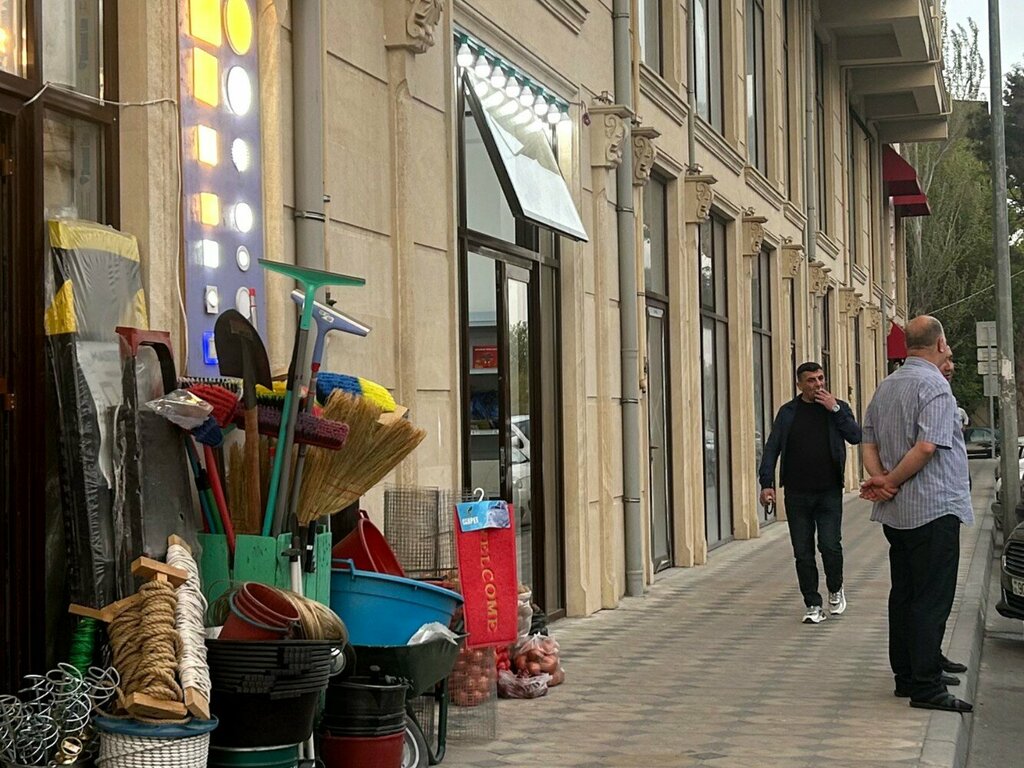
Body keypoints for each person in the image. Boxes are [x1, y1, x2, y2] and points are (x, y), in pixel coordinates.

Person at [860, 315, 973, 713]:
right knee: (931, 598)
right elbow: (927, 448)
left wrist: (882, 481)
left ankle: (908, 675)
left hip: (898, 513)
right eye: (948, 344)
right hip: (933, 507)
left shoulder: (888, 384)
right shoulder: (935, 387)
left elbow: (867, 438)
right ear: (939, 344)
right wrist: (890, 479)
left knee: (905, 595)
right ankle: (926, 687)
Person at [759, 362, 862, 624]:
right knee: (802, 552)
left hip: (828, 492)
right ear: (800, 385)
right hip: (796, 494)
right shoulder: (788, 413)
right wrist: (767, 484)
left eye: (820, 379)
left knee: (829, 545)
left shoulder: (836, 408)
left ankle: (836, 588)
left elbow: (855, 436)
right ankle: (813, 604)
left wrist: (835, 409)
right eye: (811, 380)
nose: (818, 384)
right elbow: (772, 449)